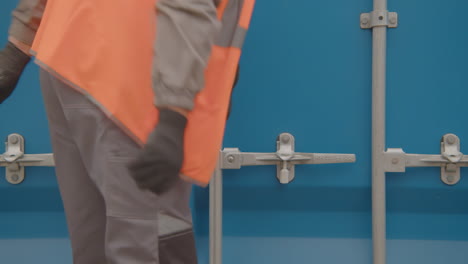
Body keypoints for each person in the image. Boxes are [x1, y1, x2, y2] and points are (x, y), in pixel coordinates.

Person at [0, 0, 254, 263]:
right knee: (149, 244)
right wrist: (173, 113)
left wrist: (17, 46)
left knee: (94, 247)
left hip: (65, 56)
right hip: (135, 82)